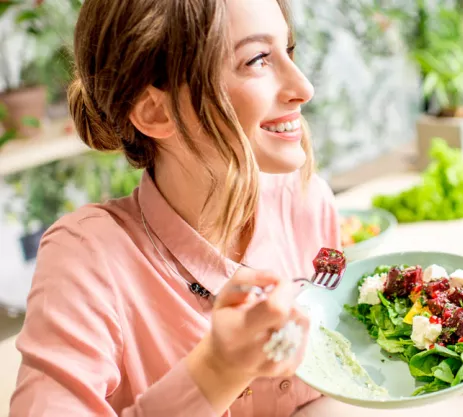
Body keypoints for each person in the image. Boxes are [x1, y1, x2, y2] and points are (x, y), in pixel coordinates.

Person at [9, 0, 341, 416]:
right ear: (155, 110)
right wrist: (217, 371)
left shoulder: (307, 202)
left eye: (287, 51)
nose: (304, 87)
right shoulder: (86, 259)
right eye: (257, 59)